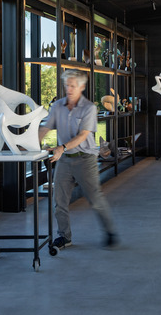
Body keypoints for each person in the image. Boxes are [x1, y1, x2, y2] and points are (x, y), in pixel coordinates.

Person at [38, 69, 118, 249]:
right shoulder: (57, 106)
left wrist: (62, 147)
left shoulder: (89, 108)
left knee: (95, 199)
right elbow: (46, 128)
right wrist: (30, 143)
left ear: (81, 87)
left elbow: (83, 135)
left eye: (73, 86)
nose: (69, 89)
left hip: (85, 159)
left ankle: (110, 230)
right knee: (59, 201)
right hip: (65, 160)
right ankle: (64, 237)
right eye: (67, 85)